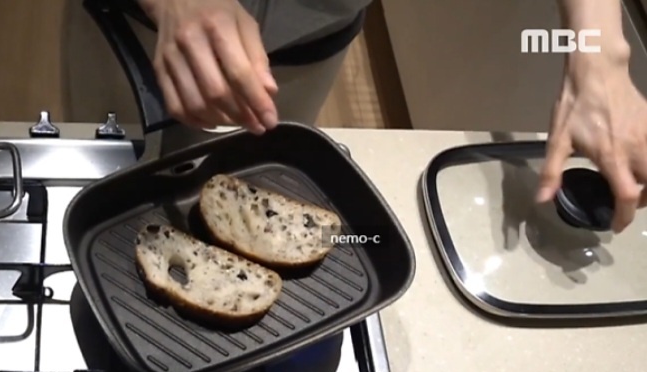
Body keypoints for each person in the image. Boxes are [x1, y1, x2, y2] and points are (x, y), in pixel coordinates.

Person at [131, 0, 647, 233]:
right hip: (141, 28)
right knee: (122, 179)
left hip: (315, 29)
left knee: (262, 173)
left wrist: (599, 48)